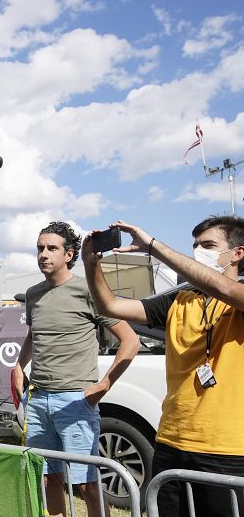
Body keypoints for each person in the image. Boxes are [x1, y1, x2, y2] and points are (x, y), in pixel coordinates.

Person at [82, 217, 244, 517]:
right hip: (171, 443)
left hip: (229, 450)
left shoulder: (238, 299)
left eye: (208, 246)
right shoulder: (179, 301)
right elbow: (111, 306)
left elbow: (228, 290)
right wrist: (90, 263)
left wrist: (153, 247)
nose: (197, 252)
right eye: (194, 246)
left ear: (237, 254)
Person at [12, 221, 139, 517]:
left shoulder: (88, 290)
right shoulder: (33, 294)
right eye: (40, 248)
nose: (44, 254)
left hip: (75, 400)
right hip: (38, 399)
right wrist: (19, 366)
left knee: (87, 485)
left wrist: (104, 385)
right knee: (48, 478)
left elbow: (130, 341)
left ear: (69, 255)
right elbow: (35, 334)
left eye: (52, 248)